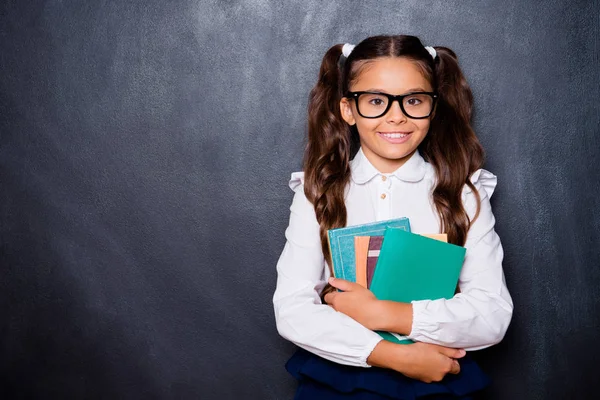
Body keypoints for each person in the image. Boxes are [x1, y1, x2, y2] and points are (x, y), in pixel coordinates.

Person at [273, 34, 513, 399]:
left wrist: (383, 315)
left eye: (413, 100)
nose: (396, 116)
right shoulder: (317, 193)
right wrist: (394, 355)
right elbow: (291, 308)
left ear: (433, 107)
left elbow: (492, 314)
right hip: (339, 380)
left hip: (439, 377)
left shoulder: (463, 194)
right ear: (348, 110)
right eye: (376, 101)